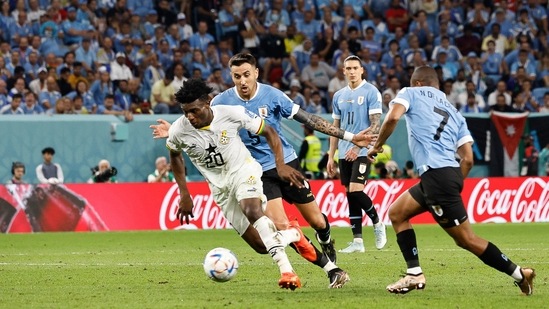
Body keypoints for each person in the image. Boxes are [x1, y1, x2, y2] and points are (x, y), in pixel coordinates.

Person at [151, 53, 377, 288]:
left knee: (317, 221)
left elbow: (308, 120)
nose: (242, 81)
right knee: (275, 228)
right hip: (252, 171)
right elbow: (194, 119)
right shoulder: (221, 102)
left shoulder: (272, 95)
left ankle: (325, 238)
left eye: (246, 75)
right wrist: (174, 131)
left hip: (285, 162)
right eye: (237, 76)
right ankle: (317, 267)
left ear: (256, 73)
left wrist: (349, 136)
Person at [367, 66, 535, 295]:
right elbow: (467, 160)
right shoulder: (456, 113)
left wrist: (377, 145)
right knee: (397, 213)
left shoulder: (410, 92)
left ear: (417, 83)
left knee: (466, 240)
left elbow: (393, 116)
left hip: (437, 178)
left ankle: (519, 273)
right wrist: (454, 182)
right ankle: (414, 274)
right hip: (444, 176)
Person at [165, 78, 311, 290]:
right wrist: (184, 193)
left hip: (244, 170)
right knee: (262, 246)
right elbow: (174, 154)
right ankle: (293, 233)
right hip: (220, 188)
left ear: (208, 102)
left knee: (251, 209)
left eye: (194, 110)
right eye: (185, 111)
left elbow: (269, 131)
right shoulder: (179, 129)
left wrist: (280, 164)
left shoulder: (230, 113)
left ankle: (287, 271)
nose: (190, 116)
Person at [327, 55, 387, 254]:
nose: (352, 71)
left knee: (355, 190)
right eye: (348, 68)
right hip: (344, 153)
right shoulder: (338, 96)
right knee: (350, 195)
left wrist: (358, 148)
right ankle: (358, 242)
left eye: (355, 68)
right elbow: (335, 129)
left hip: (362, 151)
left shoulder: (371, 92)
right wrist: (330, 157)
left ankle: (378, 223)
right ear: (343, 71)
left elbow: (376, 124)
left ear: (362, 70)